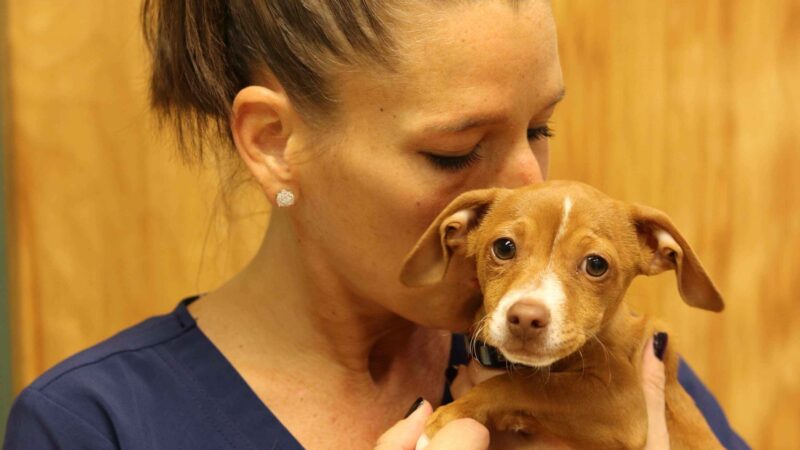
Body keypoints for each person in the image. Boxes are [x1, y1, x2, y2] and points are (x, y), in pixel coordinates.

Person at [3, 1, 748, 449]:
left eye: (542, 127)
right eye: (454, 150)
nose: (530, 184)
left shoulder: (601, 366)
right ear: (272, 142)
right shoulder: (95, 426)